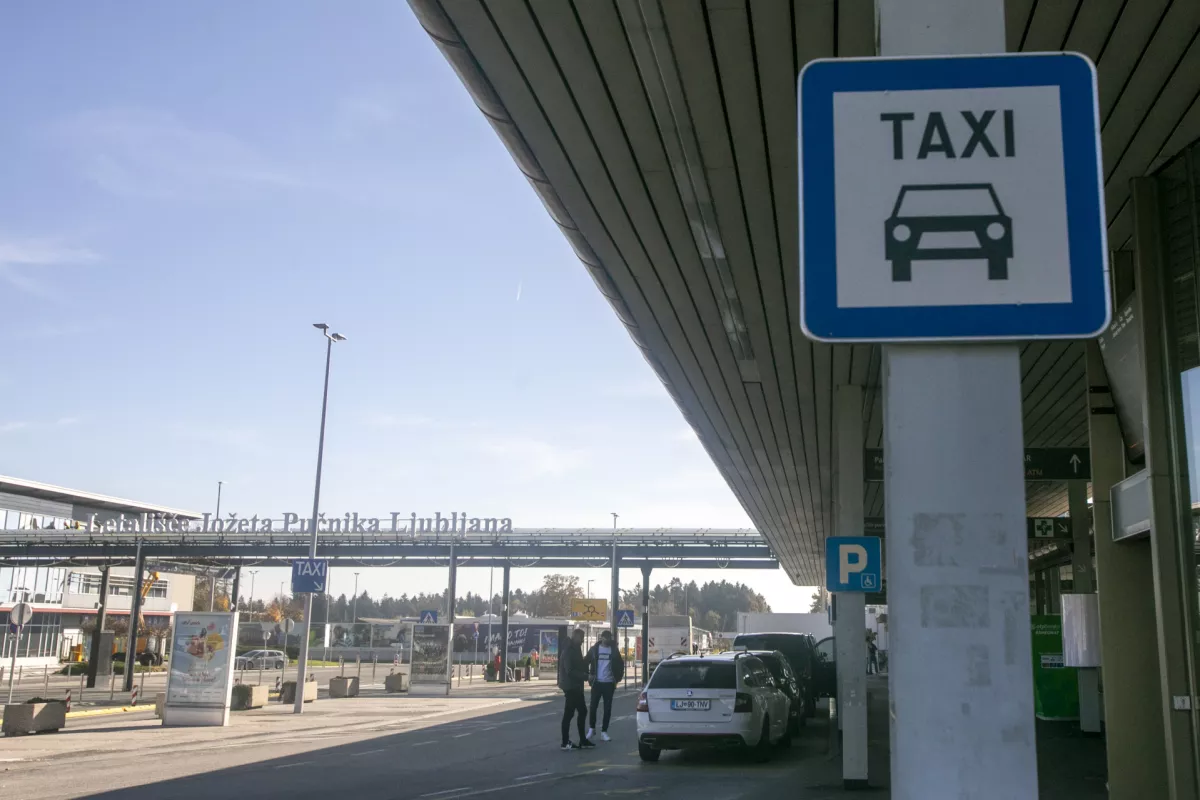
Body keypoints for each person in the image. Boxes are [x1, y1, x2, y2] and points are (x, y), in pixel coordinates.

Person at [557, 627, 594, 751]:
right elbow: (570, 670)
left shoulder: (576, 648)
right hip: (570, 686)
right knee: (572, 713)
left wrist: (587, 670)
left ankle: (581, 740)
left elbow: (579, 665)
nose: (583, 641)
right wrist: (586, 676)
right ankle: (565, 742)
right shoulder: (569, 650)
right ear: (576, 637)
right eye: (582, 638)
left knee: (578, 711)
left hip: (576, 685)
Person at [586, 629, 624, 742]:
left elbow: (620, 665)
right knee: (593, 707)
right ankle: (592, 729)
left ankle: (604, 732)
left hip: (609, 683)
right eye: (605, 637)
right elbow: (585, 661)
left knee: (607, 708)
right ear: (601, 638)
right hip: (596, 683)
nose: (607, 640)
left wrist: (617, 679)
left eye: (609, 638)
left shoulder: (614, 650)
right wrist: (588, 675)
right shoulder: (594, 650)